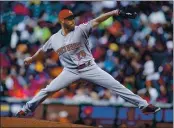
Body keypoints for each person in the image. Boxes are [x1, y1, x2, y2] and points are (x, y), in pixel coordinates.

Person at [16, 9, 160, 117]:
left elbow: (98, 20)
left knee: (116, 86)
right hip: (70, 71)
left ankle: (144, 106)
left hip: (90, 68)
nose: (72, 21)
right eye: (69, 19)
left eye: (73, 18)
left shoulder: (81, 29)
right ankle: (26, 110)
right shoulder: (54, 39)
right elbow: (42, 51)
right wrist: (31, 59)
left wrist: (115, 12)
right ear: (62, 21)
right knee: (48, 90)